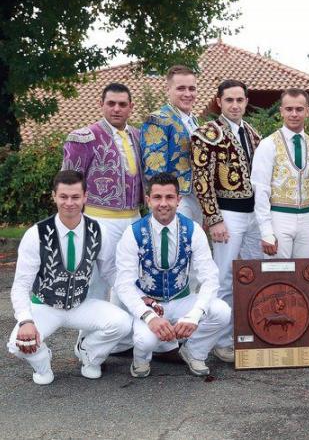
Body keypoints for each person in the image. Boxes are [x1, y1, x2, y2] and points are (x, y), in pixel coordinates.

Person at [6, 170, 132, 385]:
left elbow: (112, 273)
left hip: (80, 304)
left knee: (123, 323)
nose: (69, 203)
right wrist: (26, 320)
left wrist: (138, 302)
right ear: (54, 197)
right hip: (44, 306)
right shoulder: (36, 234)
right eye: (63, 197)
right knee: (17, 343)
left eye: (75, 197)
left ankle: (89, 353)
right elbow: (21, 285)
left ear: (85, 197)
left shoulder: (98, 230)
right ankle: (43, 362)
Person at [114, 173, 231, 378]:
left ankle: (194, 351)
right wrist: (149, 316)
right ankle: (141, 359)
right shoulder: (133, 233)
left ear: (179, 200)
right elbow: (123, 285)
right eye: (157, 197)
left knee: (221, 312)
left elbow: (210, 278)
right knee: (146, 341)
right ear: (148, 200)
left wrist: (194, 316)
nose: (163, 204)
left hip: (181, 299)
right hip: (150, 304)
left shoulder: (193, 230)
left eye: (169, 197)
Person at [190, 79, 262, 362]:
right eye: (229, 100)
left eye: (240, 100)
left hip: (254, 214)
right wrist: (213, 217)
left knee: (254, 274)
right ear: (219, 102)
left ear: (246, 102)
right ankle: (221, 340)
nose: (235, 105)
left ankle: (248, 332)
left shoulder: (253, 133)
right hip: (228, 214)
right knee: (222, 278)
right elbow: (202, 179)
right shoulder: (206, 133)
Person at [62, 82, 143, 301]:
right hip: (98, 219)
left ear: (130, 107)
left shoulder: (138, 136)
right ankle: (88, 335)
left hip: (135, 219)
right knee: (93, 283)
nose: (116, 109)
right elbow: (69, 184)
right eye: (111, 103)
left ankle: (123, 333)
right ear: (101, 104)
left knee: (129, 281)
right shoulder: (83, 137)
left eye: (122, 104)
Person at [250, 88, 309, 258]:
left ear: (307, 111)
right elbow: (261, 189)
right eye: (289, 109)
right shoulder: (268, 145)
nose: (294, 114)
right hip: (279, 216)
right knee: (278, 275)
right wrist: (266, 231)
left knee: (305, 275)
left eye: (299, 109)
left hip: (308, 218)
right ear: (281, 111)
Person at [141, 65, 202, 224]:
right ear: (168, 89)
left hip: (195, 197)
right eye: (181, 88)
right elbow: (154, 168)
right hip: (173, 198)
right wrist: (165, 200)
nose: (188, 94)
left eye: (192, 88)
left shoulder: (194, 121)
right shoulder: (158, 119)